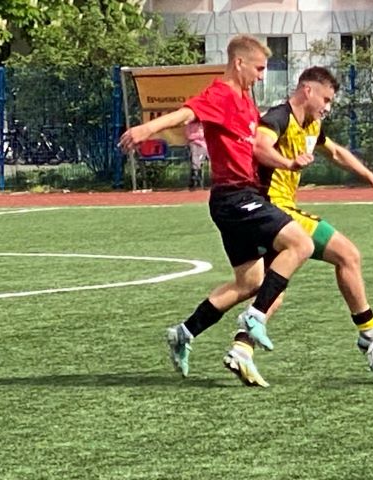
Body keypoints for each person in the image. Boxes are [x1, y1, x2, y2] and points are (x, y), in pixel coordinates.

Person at [119, 34, 315, 381]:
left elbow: (255, 149)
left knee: (250, 281)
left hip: (240, 198)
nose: (261, 77)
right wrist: (146, 128)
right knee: (301, 244)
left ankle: (184, 333)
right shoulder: (220, 94)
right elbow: (186, 113)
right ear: (239, 63)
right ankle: (255, 317)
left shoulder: (245, 102)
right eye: (258, 69)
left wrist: (287, 163)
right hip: (235, 198)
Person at [224, 66, 373, 387]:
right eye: (326, 99)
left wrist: (372, 178)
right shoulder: (279, 117)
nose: (328, 107)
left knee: (273, 291)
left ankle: (241, 349)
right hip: (273, 209)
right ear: (307, 90)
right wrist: (287, 162)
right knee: (347, 254)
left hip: (280, 210)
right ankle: (369, 332)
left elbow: (335, 152)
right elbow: (259, 144)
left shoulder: (312, 125)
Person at [185, 120, 207, 189]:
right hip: (193, 143)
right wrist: (197, 137)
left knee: (201, 156)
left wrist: (199, 136)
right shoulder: (189, 124)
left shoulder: (203, 123)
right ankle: (196, 175)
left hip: (204, 145)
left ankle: (196, 174)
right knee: (194, 153)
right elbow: (188, 136)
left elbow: (205, 134)